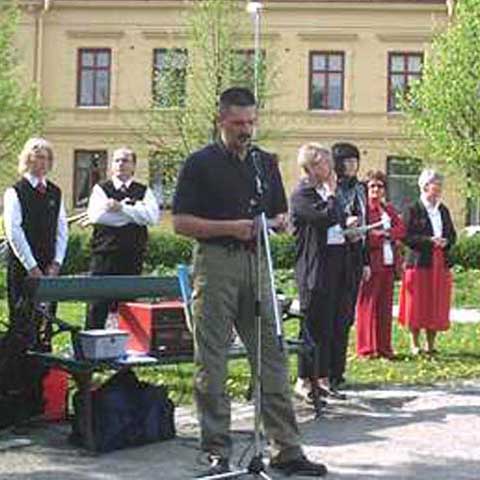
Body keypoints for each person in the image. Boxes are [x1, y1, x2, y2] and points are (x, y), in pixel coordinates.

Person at [172, 87, 327, 477]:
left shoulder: (263, 163)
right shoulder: (199, 164)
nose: (246, 130)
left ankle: (287, 450)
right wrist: (231, 228)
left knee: (272, 356)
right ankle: (216, 451)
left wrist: (280, 223)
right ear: (221, 120)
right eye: (238, 123)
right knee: (212, 361)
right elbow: (180, 222)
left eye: (251, 123)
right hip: (216, 263)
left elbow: (279, 212)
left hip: (258, 263)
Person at [290, 143, 354, 403]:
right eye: (325, 163)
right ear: (313, 166)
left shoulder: (329, 193)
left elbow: (337, 217)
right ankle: (305, 380)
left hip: (335, 265)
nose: (331, 168)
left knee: (330, 325)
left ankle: (324, 378)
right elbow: (325, 217)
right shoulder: (303, 194)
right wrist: (331, 197)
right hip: (313, 269)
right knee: (313, 326)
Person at [86, 147, 160, 330]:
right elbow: (97, 216)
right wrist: (135, 214)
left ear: (133, 166)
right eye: (117, 160)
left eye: (125, 160)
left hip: (133, 256)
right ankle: (89, 349)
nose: (121, 164)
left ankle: (127, 349)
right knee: (97, 306)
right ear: (111, 165)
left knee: (129, 308)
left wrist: (122, 208)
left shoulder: (144, 190)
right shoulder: (101, 189)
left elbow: (152, 217)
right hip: (104, 256)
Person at [3, 137, 68, 334]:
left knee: (46, 321)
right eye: (38, 157)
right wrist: (31, 267)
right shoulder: (15, 192)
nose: (42, 162)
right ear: (27, 159)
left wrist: (56, 262)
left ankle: (44, 359)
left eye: (47, 158)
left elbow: (62, 229)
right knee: (22, 321)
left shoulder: (55, 192)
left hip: (49, 267)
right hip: (24, 268)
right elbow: (14, 231)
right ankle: (18, 363)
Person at [398, 169, 456, 355]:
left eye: (440, 185)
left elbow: (452, 234)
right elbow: (405, 236)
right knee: (417, 303)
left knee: (435, 303)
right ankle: (415, 343)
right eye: (435, 184)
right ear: (424, 186)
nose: (439, 188)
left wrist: (446, 241)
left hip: (440, 262)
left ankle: (431, 344)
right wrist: (428, 241)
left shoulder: (443, 210)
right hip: (419, 262)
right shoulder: (412, 209)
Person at [330, 142, 370, 387]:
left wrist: (366, 260)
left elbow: (365, 225)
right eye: (347, 161)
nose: (353, 166)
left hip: (355, 254)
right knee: (332, 316)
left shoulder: (360, 189)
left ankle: (339, 371)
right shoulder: (334, 188)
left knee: (346, 316)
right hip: (335, 255)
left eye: (355, 161)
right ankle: (327, 371)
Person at [356, 170, 406, 359]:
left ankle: (384, 347)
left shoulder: (388, 209)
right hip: (371, 263)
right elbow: (365, 235)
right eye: (372, 186)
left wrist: (386, 234)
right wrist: (382, 236)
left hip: (388, 264)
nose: (376, 189)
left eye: (380, 186)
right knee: (367, 306)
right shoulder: (364, 210)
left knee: (384, 309)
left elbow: (401, 229)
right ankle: (366, 348)